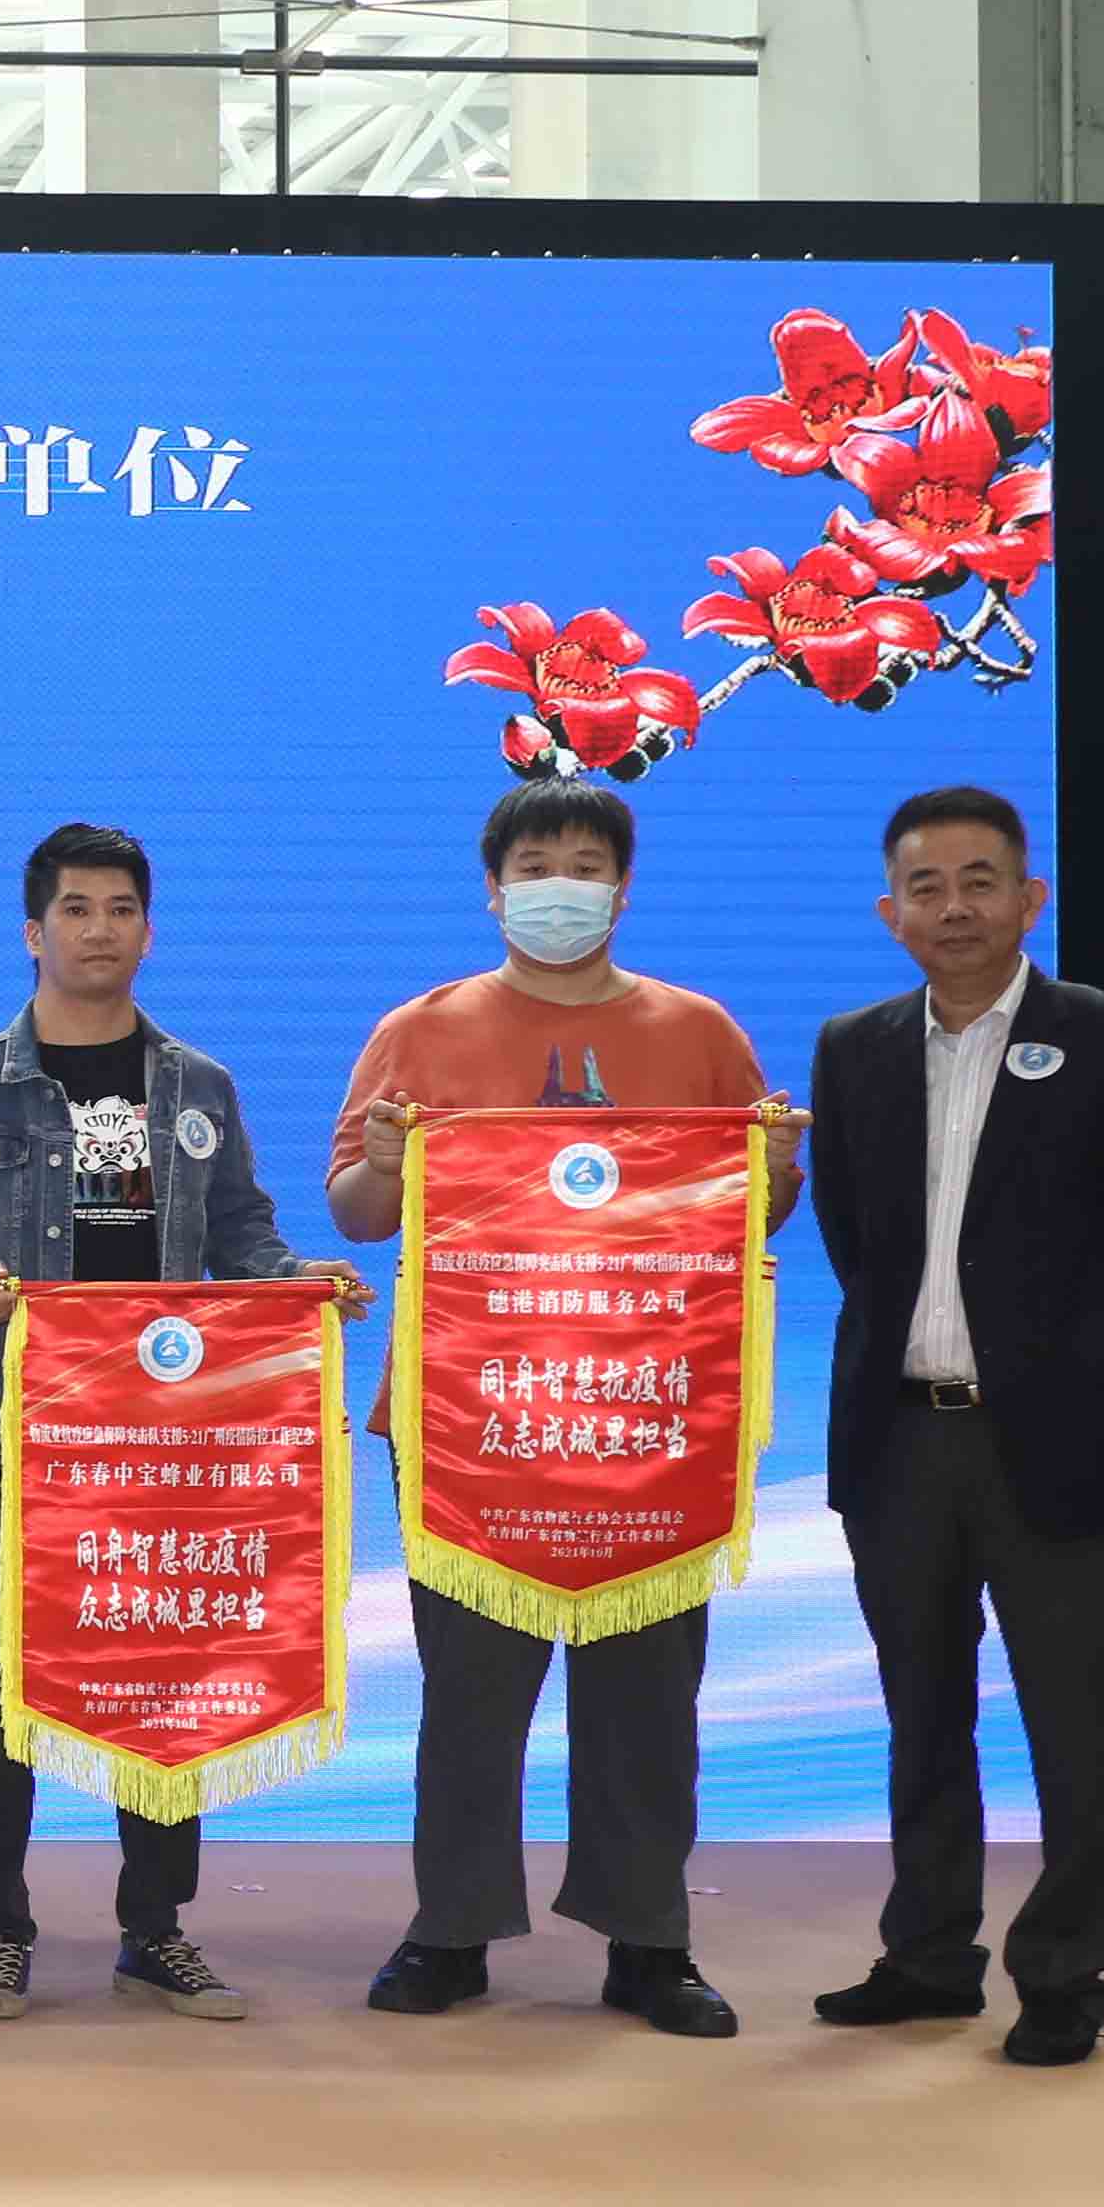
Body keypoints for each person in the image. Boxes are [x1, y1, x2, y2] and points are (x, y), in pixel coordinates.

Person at [329, 780, 805, 2035]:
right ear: (492, 889)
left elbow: (754, 1212)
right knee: (468, 1696)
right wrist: (382, 1162)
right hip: (469, 1422)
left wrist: (772, 1170)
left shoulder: (696, 1030)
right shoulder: (419, 1029)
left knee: (646, 1693)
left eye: (583, 866)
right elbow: (356, 1215)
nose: (559, 887)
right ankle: (449, 1930)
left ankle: (648, 1940)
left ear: (620, 889)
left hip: (646, 1418)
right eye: (534, 865)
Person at [0, 822, 359, 2025]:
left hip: (163, 1439)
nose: (98, 930)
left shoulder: (196, 1088)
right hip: (13, 1437)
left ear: (148, 930)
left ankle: (155, 1930)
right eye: (75, 910)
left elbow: (240, 1233)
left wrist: (293, 1280)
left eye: (119, 910)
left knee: (162, 1676)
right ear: (31, 932)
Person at [806, 786, 1104, 2068]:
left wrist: (1075, 1378)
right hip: (899, 1442)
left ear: (1028, 899)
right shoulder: (852, 1048)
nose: (953, 907)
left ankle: (1064, 1973)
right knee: (919, 1718)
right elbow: (853, 1240)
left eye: (978, 881)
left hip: (1055, 1444)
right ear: (889, 912)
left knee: (1073, 1730)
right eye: (924, 887)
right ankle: (927, 1956)